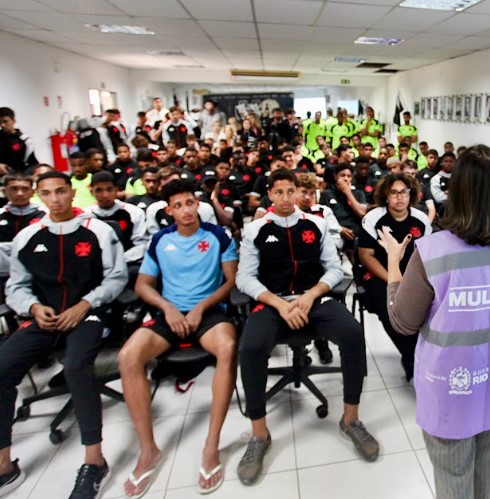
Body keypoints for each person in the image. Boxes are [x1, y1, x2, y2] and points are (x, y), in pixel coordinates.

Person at [380, 144, 490, 499]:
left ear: (458, 192)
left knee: (454, 478)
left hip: (451, 390)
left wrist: (394, 263)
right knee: (486, 474)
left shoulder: (433, 251)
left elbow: (403, 322)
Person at [235, 169, 379, 485]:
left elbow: (333, 270)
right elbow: (244, 278)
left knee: (354, 335)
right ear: (270, 195)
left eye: (291, 191)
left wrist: (311, 295)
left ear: (299, 192)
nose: (286, 197)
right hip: (274, 302)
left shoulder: (315, 224)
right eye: (280, 192)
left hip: (314, 299)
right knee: (250, 347)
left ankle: (351, 419)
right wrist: (281, 303)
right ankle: (259, 435)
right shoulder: (256, 230)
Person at [0, 171, 126, 499]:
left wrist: (85, 305)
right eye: (47, 193)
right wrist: (32, 307)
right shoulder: (28, 237)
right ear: (39, 196)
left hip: (89, 312)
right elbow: (16, 286)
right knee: (1, 366)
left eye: (60, 192)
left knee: (75, 367)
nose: (55, 199)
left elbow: (116, 278)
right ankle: (4, 464)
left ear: (72, 194)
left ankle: (94, 460)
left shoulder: (97, 230)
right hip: (45, 317)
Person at [119, 179, 238, 496]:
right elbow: (143, 284)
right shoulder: (160, 240)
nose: (186, 210)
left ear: (197, 204)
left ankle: (211, 445)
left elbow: (230, 281)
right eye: (178, 205)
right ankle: (148, 451)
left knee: (227, 347)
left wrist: (201, 308)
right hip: (169, 313)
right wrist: (167, 308)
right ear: (169, 210)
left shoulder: (217, 236)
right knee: (128, 356)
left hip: (208, 312)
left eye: (190, 202)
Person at [358, 173, 431, 381]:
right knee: (391, 308)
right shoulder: (373, 219)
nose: (400, 197)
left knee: (430, 306)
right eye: (394, 193)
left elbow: (426, 255)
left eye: (404, 192)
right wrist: (394, 280)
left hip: (413, 275)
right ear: (386, 196)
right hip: (379, 274)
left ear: (411, 195)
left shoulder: (421, 220)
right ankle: (410, 358)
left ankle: (426, 354)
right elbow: (366, 256)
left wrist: (411, 280)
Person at [0, 172, 44, 277]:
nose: (19, 193)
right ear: (4, 191)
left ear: (33, 192)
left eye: (25, 189)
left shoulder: (45, 215)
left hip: (36, 272)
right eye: (14, 189)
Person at [0, 107, 39, 174]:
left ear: (14, 121)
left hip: (20, 176)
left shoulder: (25, 140)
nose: (2, 125)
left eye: (5, 121)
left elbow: (33, 163)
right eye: (0, 122)